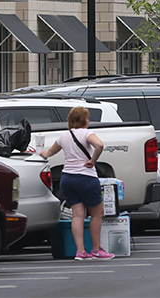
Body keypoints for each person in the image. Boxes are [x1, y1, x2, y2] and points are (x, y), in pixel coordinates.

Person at [40, 107, 114, 260]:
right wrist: (93, 161)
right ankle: (96, 249)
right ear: (83, 120)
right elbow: (99, 145)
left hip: (67, 178)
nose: (88, 121)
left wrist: (42, 153)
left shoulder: (64, 136)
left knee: (77, 215)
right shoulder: (86, 133)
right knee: (96, 214)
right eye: (87, 118)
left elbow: (49, 153)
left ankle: (80, 251)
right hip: (85, 177)